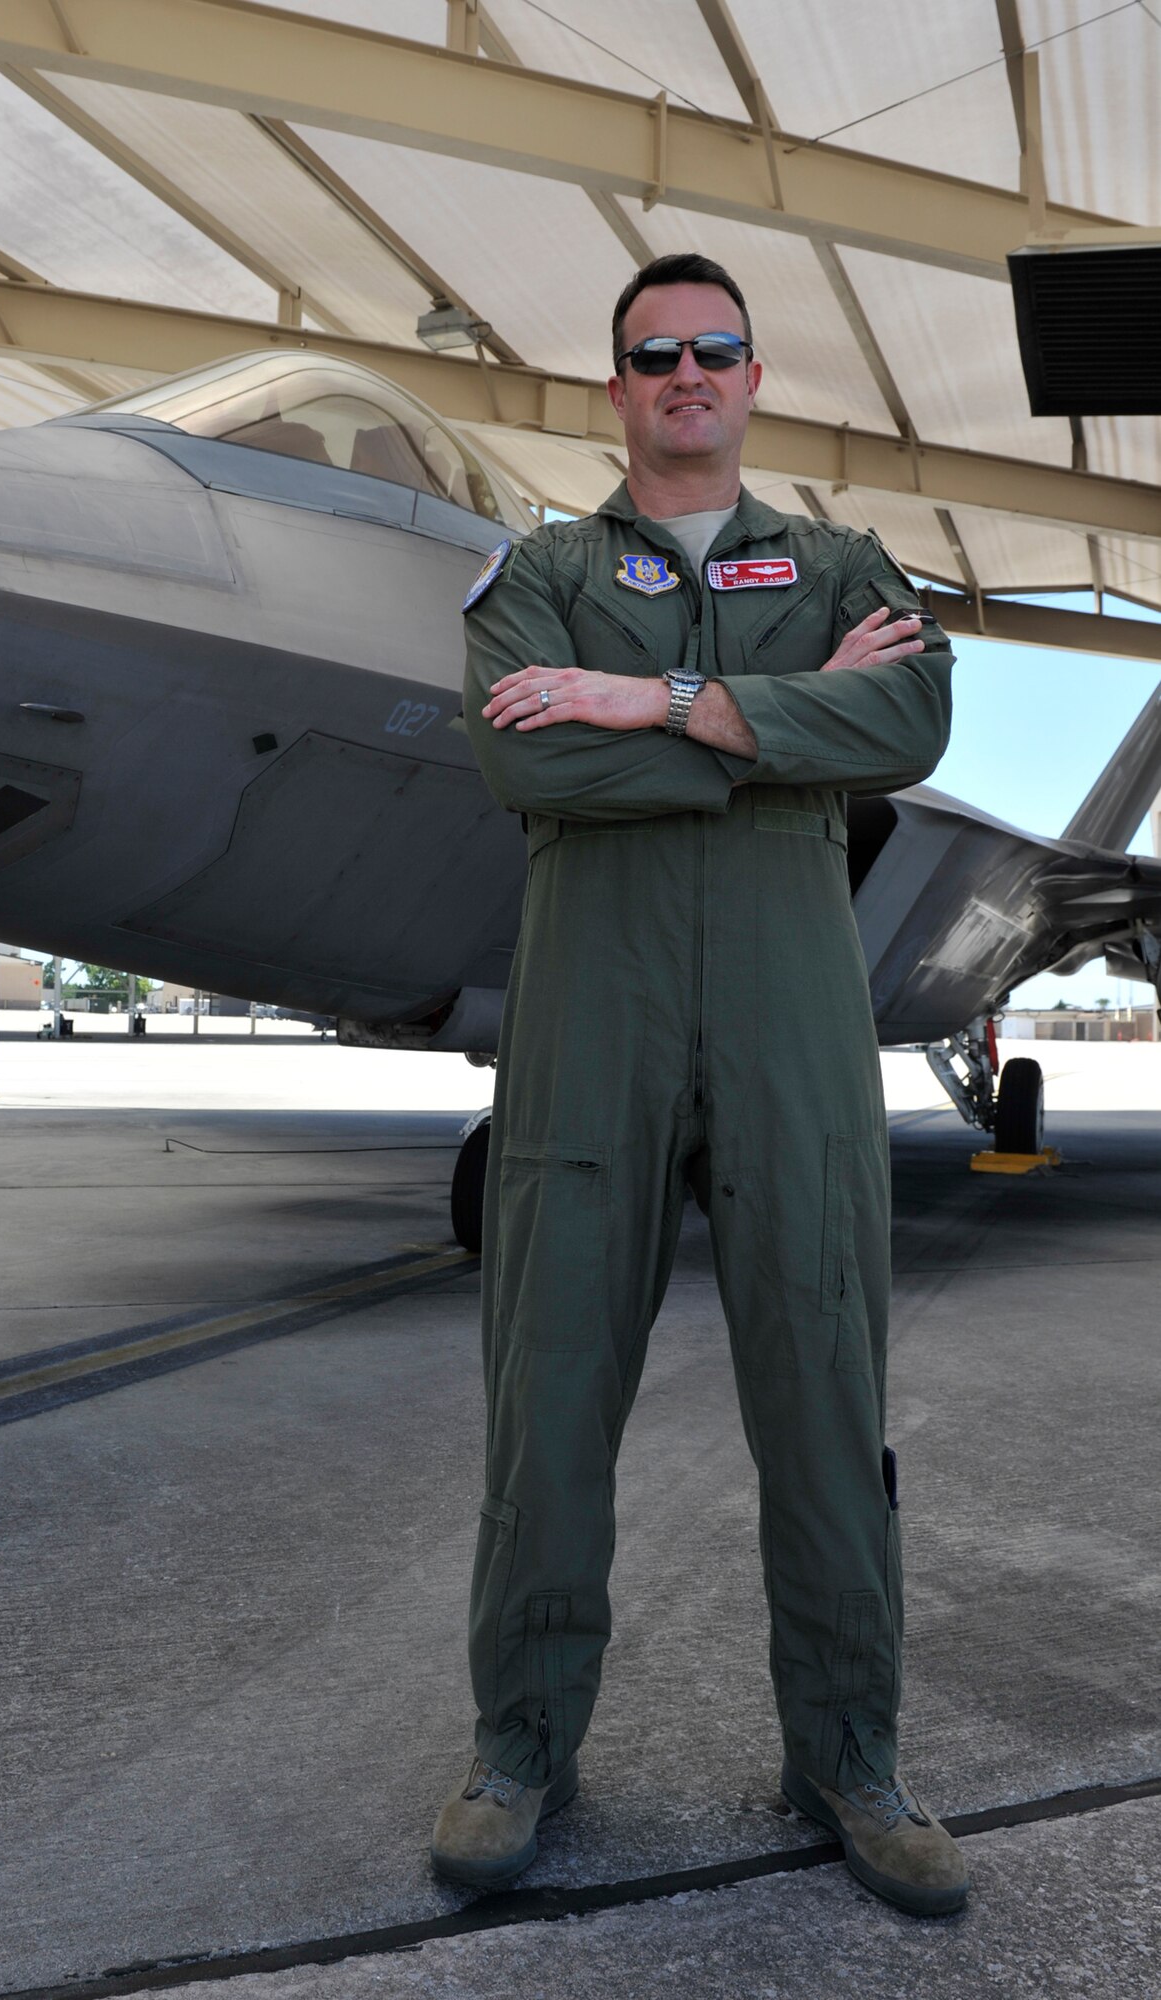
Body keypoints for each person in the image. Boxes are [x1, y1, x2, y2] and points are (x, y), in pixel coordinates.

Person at [430, 253, 969, 1919]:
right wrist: (770, 732)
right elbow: (528, 752)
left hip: (790, 1011)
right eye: (650, 353)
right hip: (594, 1003)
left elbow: (914, 715)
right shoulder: (539, 569)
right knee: (549, 1392)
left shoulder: (834, 561)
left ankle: (847, 1753)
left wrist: (647, 697)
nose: (683, 373)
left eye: (712, 350)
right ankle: (520, 1744)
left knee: (821, 1382)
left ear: (749, 379)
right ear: (615, 389)